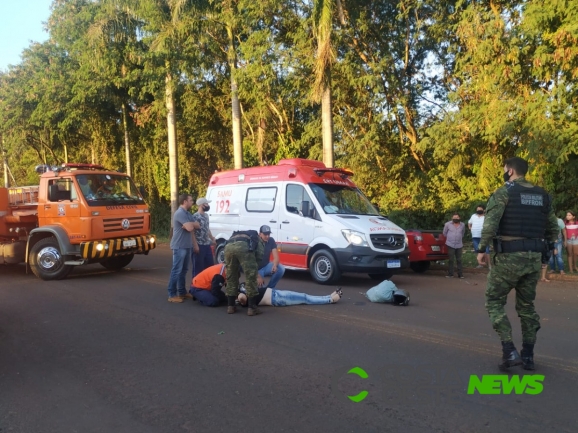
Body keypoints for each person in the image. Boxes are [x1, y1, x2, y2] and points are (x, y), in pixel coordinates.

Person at [477, 157, 558, 371]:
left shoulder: (503, 192)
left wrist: (481, 249)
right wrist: (546, 254)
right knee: (527, 307)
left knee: (494, 301)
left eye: (505, 169)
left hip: (507, 259)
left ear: (510, 171)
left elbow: (490, 224)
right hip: (533, 259)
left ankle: (509, 350)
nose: (504, 172)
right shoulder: (542, 195)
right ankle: (528, 355)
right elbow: (553, 230)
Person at [167, 194, 201, 303]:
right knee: (176, 270)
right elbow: (191, 227)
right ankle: (172, 294)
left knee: (184, 270)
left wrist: (189, 224)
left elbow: (198, 225)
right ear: (185, 201)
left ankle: (182, 292)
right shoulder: (179, 213)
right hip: (179, 246)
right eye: (191, 200)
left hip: (187, 245)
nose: (192, 202)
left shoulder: (187, 214)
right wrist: (191, 225)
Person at [224, 229, 265, 316]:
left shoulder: (240, 234)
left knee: (231, 277)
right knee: (251, 277)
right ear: (260, 235)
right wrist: (253, 271)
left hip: (228, 246)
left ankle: (231, 306)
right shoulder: (258, 240)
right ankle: (252, 308)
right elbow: (259, 257)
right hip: (243, 246)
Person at [237, 285, 342, 307]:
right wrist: (239, 297)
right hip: (277, 298)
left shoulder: (242, 286)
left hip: (276, 294)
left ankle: (328, 296)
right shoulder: (240, 294)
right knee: (305, 298)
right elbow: (242, 298)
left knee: (305, 296)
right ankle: (330, 300)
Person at [191, 197, 216, 278]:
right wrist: (195, 245)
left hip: (207, 245)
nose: (208, 205)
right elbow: (192, 232)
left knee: (210, 266)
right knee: (198, 268)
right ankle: (195, 287)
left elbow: (207, 228)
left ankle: (206, 285)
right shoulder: (195, 216)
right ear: (202, 205)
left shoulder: (206, 216)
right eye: (206, 204)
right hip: (199, 245)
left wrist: (212, 238)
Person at [443, 213, 466, 278]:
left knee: (459, 260)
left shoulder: (462, 225)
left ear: (459, 218)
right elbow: (444, 233)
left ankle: (460, 274)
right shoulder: (447, 224)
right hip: (450, 244)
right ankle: (450, 274)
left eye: (457, 217)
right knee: (451, 259)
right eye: (454, 218)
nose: (455, 219)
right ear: (452, 218)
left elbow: (463, 233)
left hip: (459, 244)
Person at [468, 205, 491, 269]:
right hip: (475, 236)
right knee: (478, 251)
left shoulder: (486, 217)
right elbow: (469, 223)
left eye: (480, 209)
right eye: (477, 209)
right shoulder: (473, 216)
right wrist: (470, 228)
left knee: (486, 251)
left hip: (484, 236)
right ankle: (481, 264)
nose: (478, 210)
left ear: (484, 210)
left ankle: (489, 265)